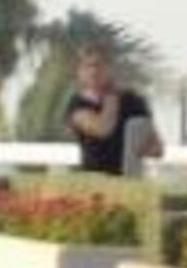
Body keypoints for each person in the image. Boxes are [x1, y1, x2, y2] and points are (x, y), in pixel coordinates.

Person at [63, 44, 165, 177]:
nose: (94, 71)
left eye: (99, 65)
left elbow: (157, 148)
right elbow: (103, 129)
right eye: (88, 66)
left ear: (110, 68)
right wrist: (112, 96)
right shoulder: (77, 104)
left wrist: (141, 148)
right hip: (94, 178)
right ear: (79, 72)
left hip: (129, 179)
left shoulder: (133, 101)